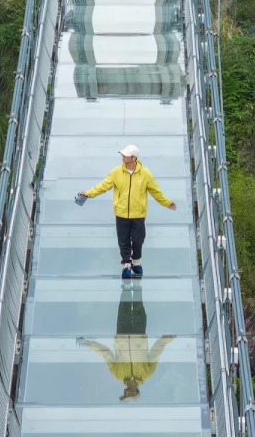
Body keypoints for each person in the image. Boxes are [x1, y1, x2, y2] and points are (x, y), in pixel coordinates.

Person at [76, 144, 176, 278]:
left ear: (134, 158)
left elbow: (155, 191)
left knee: (138, 240)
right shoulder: (116, 172)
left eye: (126, 155)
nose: (122, 156)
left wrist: (167, 202)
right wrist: (89, 193)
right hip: (121, 213)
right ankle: (127, 264)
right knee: (123, 240)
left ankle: (136, 261)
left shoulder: (145, 174)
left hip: (138, 214)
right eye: (122, 154)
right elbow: (103, 186)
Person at [77, 287, 176, 402]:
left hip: (122, 333)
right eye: (127, 395)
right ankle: (137, 283)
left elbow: (106, 354)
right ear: (134, 393)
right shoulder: (146, 374)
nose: (124, 392)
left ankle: (126, 284)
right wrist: (167, 338)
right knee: (138, 305)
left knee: (124, 306)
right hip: (138, 334)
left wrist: (88, 344)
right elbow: (156, 352)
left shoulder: (118, 374)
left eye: (124, 394)